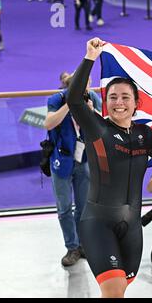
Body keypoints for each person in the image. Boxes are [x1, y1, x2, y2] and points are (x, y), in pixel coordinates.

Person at [66, 37, 152, 298]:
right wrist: (89, 58)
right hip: (98, 223)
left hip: (132, 227)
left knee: (118, 290)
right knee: (113, 292)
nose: (119, 102)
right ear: (105, 102)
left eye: (125, 97)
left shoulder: (145, 134)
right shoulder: (97, 128)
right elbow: (73, 99)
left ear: (136, 103)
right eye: (112, 97)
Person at [44, 73, 102, 267]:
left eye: (86, 87)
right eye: (80, 87)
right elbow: (49, 123)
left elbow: (104, 126)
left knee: (84, 207)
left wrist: (92, 112)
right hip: (62, 159)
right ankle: (72, 247)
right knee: (64, 208)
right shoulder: (57, 99)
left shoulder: (92, 98)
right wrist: (70, 104)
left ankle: (83, 245)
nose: (84, 90)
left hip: (84, 159)